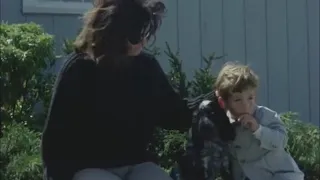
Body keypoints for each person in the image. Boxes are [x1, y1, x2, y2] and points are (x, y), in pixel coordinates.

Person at [40, 0, 214, 180]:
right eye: (137, 35)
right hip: (87, 167)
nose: (144, 41)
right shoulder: (79, 69)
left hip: (136, 164)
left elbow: (175, 114)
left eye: (147, 33)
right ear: (116, 34)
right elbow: (55, 139)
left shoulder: (146, 67)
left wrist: (215, 100)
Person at [214, 62, 304, 180]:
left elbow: (282, 140)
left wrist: (259, 130)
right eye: (237, 100)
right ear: (223, 102)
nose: (246, 105)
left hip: (282, 175)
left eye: (250, 98)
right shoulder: (224, 124)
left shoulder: (264, 116)